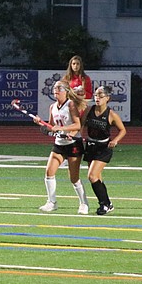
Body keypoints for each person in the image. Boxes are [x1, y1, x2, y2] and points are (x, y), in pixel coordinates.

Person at [35, 80, 90, 214]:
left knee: (74, 178)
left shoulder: (71, 105)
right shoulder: (52, 107)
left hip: (73, 145)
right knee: (49, 172)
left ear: (65, 91)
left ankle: (84, 203)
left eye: (59, 88)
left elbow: (77, 125)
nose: (56, 91)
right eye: (54, 88)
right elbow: (51, 126)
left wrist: (63, 128)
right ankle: (51, 202)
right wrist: (41, 123)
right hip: (59, 144)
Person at [82, 85, 127, 215]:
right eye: (96, 95)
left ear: (107, 98)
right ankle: (107, 203)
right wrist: (78, 136)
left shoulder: (111, 114)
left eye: (101, 96)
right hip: (91, 146)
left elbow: (123, 130)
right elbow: (82, 125)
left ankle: (104, 204)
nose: (97, 98)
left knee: (92, 176)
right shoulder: (89, 110)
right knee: (97, 178)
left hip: (104, 148)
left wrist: (115, 140)